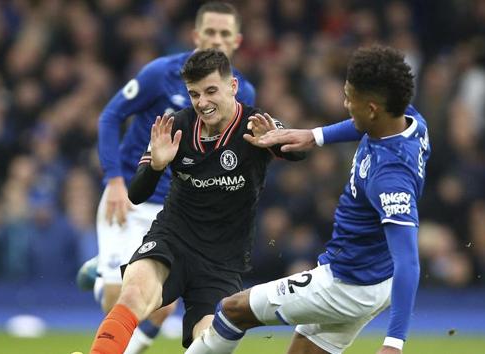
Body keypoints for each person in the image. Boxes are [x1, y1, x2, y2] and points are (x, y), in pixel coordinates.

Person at [186, 45, 431, 354]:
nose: (344, 103)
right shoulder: (409, 118)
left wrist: (394, 343)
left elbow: (408, 260)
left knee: (232, 310)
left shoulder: (391, 178)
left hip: (348, 284)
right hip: (373, 277)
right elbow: (364, 125)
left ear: (371, 109)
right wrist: (314, 136)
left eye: (349, 98)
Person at [89, 49, 305, 354]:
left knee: (207, 344)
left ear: (232, 87)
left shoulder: (255, 126)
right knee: (134, 294)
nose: (202, 102)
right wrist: (155, 166)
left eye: (211, 91)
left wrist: (277, 140)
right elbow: (136, 193)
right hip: (172, 239)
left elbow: (299, 152)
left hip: (222, 261)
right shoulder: (176, 126)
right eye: (194, 94)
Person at [76, 2, 255, 353]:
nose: (216, 40)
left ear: (236, 41)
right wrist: (113, 180)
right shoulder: (160, 73)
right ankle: (103, 276)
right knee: (118, 299)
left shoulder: (243, 93)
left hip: (179, 210)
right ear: (195, 35)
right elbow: (111, 116)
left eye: (224, 34)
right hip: (131, 193)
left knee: (161, 299)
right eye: (210, 32)